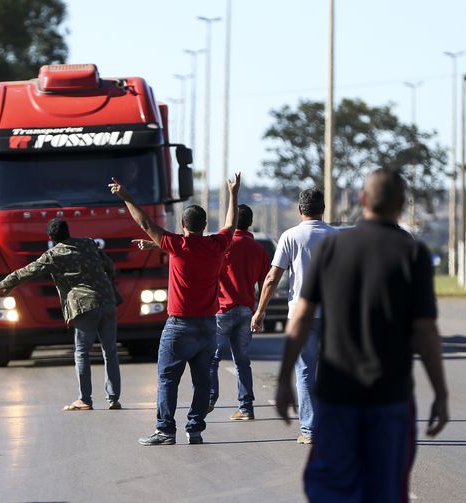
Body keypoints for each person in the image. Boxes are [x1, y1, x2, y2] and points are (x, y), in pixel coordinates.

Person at [277, 168, 449, 501]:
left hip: (338, 397)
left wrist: (285, 379)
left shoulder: (333, 247)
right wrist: (441, 392)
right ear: (401, 204)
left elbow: (299, 316)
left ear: (362, 199)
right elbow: (425, 330)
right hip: (391, 395)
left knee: (328, 484)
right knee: (386, 487)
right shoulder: (413, 254)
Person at [109, 172, 241, 446]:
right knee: (202, 380)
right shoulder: (216, 245)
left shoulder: (178, 245)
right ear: (205, 225)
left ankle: (166, 430)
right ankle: (195, 429)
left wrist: (126, 196)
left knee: (168, 378)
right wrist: (233, 193)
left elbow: (144, 222)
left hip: (180, 326)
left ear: (182, 225)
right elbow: (230, 224)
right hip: (207, 325)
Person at [0, 218, 121, 411]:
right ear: (68, 231)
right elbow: (110, 268)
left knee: (82, 352)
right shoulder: (89, 243)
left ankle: (85, 400)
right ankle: (113, 398)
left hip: (85, 306)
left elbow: (25, 273)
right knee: (110, 350)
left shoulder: (53, 255)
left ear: (50, 237)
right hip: (108, 301)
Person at [251, 188, 336, 444]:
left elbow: (272, 277)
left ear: (300, 210)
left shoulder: (290, 236)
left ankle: (310, 431)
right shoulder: (337, 237)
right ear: (323, 209)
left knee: (306, 371)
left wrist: (260, 310)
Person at [208, 204, 269, 420]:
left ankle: (209, 399)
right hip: (246, 310)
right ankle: (246, 408)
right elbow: (265, 283)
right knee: (242, 361)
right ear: (250, 222)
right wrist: (260, 311)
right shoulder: (259, 250)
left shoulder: (222, 245)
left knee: (212, 359)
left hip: (222, 310)